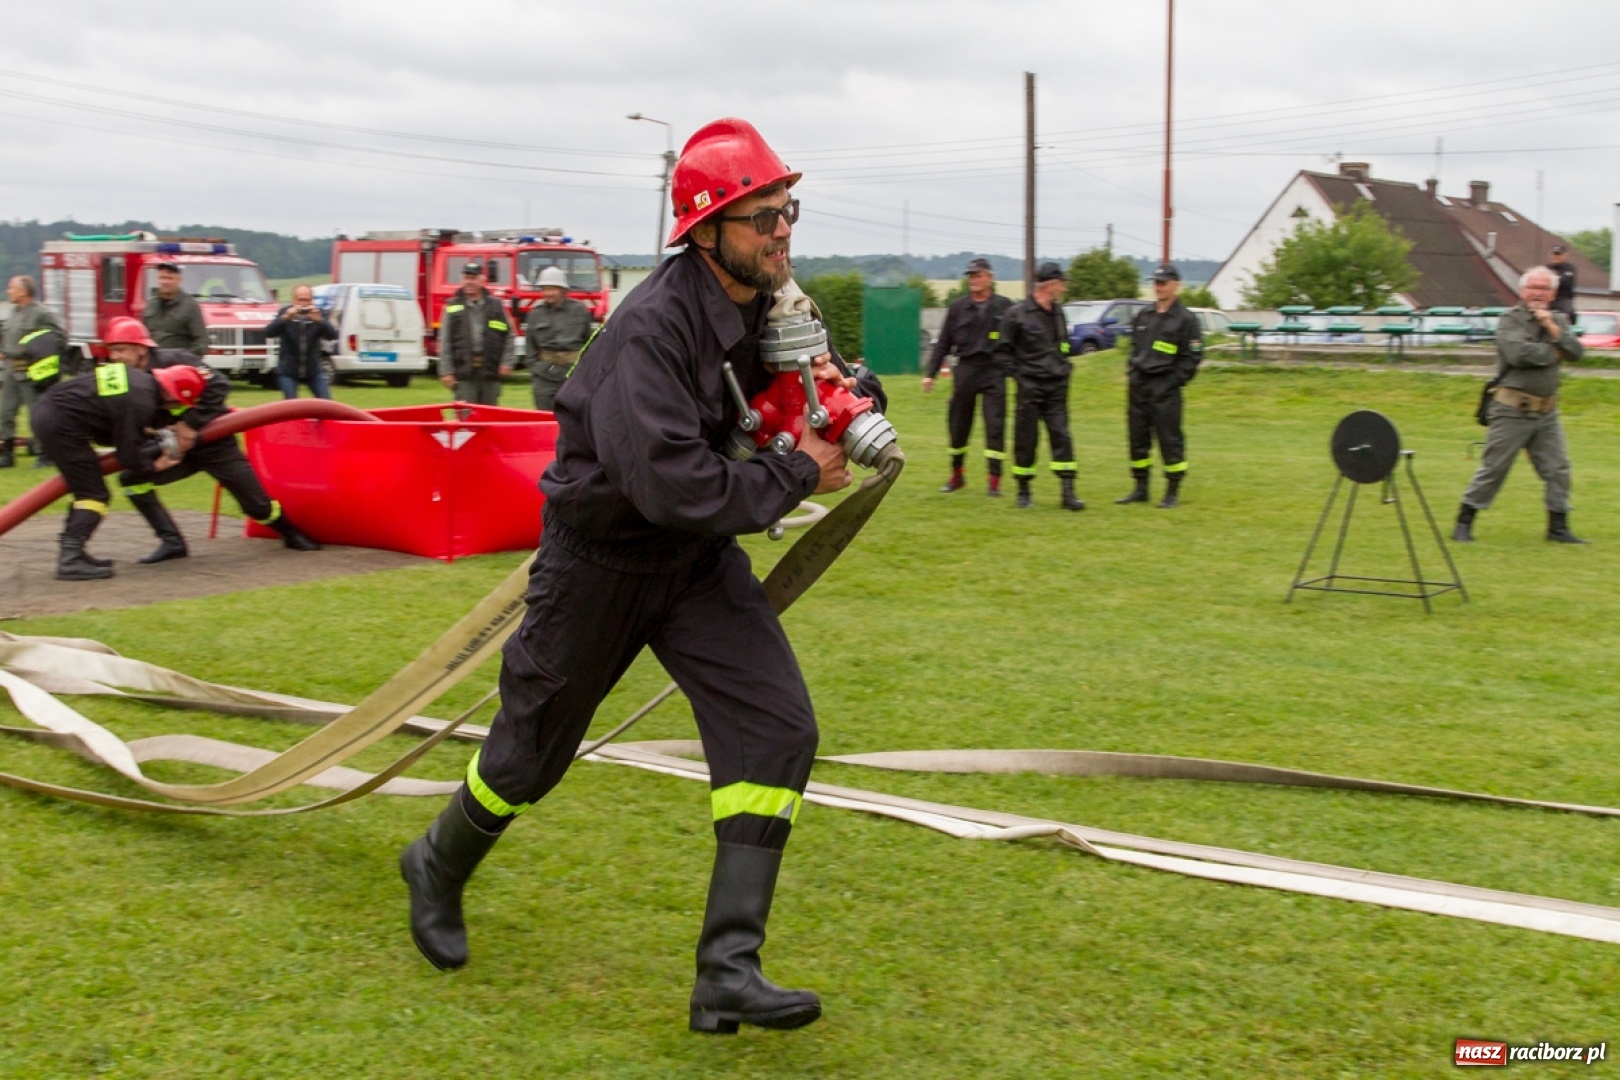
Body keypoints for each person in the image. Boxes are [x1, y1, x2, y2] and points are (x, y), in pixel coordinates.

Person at [400, 117, 863, 1036]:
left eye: (788, 211)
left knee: (776, 729)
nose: (782, 230)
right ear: (706, 229)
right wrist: (797, 474)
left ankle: (728, 971)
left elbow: (823, 383)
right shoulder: (651, 330)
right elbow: (672, 485)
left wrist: (843, 405)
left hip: (692, 563)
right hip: (602, 561)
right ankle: (437, 863)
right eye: (763, 216)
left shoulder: (770, 302)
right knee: (530, 755)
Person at [102, 316, 321, 560]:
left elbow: (219, 385)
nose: (115, 357)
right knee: (132, 478)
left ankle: (290, 533)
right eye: (112, 351)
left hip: (215, 443)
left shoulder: (177, 360)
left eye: (121, 350)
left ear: (141, 348)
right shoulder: (118, 377)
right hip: (172, 448)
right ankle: (172, 542)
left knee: (256, 505)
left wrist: (189, 424)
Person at [1453, 267, 1586, 545]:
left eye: (1544, 288)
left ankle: (1558, 528)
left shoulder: (1559, 319)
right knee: (1494, 468)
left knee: (1558, 469)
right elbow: (1519, 354)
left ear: (1553, 293)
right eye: (1533, 287)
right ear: (1522, 290)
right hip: (1512, 409)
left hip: (1546, 412)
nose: (1538, 293)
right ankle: (1464, 522)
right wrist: (1556, 350)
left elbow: (1577, 352)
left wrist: (1552, 327)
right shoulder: (1510, 320)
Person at [30, 362, 199, 580]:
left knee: (85, 490)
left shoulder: (138, 381)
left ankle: (75, 553)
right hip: (61, 425)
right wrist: (154, 466)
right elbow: (127, 454)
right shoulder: (141, 402)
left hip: (51, 412)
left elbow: (106, 419)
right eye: (177, 404)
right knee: (94, 495)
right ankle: (70, 559)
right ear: (171, 395)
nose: (174, 409)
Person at [923, 257, 1014, 496]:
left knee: (995, 426)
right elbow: (944, 342)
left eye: (978, 275)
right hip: (966, 370)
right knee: (959, 425)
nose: (974, 280)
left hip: (994, 370)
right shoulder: (958, 308)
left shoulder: (1004, 306)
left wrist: (1018, 370)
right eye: (971, 276)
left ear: (989, 278)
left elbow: (1017, 341)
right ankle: (957, 475)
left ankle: (994, 481)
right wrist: (930, 374)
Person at [996, 261, 1082, 511]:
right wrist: (1019, 377)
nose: (1064, 288)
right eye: (1061, 283)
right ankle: (1024, 491)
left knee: (1062, 436)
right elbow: (1002, 352)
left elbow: (1063, 346)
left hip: (1057, 387)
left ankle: (1068, 492)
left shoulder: (1059, 313)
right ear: (1049, 285)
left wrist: (1064, 368)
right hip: (1030, 388)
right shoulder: (1017, 314)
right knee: (1026, 438)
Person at [1119, 264, 1203, 509]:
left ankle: (1172, 491)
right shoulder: (1144, 315)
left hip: (1164, 388)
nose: (1159, 287)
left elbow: (1192, 356)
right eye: (1156, 283)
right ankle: (1140, 488)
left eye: (1163, 283)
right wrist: (1133, 372)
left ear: (1176, 285)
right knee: (1137, 438)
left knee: (1169, 439)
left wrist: (1174, 381)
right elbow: (1134, 348)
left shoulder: (1186, 319)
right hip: (1139, 386)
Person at [1, 275, 66, 469]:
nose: (8, 291)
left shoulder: (42, 314)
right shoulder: (13, 312)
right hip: (11, 370)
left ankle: (44, 453)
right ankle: (7, 453)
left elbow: (58, 338)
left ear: (23, 292)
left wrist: (37, 354)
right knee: (5, 412)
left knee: (37, 415)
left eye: (11, 288)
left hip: (31, 372)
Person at [437, 261, 513, 405]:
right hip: (464, 372)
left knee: (490, 414)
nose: (469, 282)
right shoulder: (452, 305)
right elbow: (444, 340)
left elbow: (509, 336)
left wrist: (506, 362)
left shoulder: (496, 305)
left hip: (490, 371)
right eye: (466, 278)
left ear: (482, 280)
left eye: (473, 278)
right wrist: (446, 371)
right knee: (466, 413)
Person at [523, 265, 593, 411]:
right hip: (544, 376)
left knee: (574, 415)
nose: (548, 293)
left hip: (573, 374)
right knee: (544, 417)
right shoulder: (535, 314)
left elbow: (590, 342)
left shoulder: (579, 310)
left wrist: (583, 370)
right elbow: (530, 347)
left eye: (552, 289)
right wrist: (537, 369)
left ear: (563, 290)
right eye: (544, 289)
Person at [265, 285, 337, 399]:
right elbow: (268, 333)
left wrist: (320, 321)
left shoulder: (319, 313)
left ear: (312, 300)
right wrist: (285, 318)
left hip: (313, 371)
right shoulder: (285, 312)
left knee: (327, 403)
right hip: (289, 371)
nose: (303, 304)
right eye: (300, 300)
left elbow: (332, 335)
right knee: (291, 405)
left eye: (307, 300)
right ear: (293, 300)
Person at [141, 261, 210, 356]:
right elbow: (143, 335)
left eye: (170, 278)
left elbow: (202, 341)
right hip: (153, 360)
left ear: (179, 280)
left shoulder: (189, 306)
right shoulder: (151, 304)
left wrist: (186, 359)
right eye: (162, 278)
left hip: (177, 362)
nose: (165, 282)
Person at [1547, 244, 1577, 322]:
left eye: (1559, 254)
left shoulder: (1569, 268)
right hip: (1547, 297)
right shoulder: (1546, 268)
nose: (1556, 256)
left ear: (1565, 256)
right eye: (1554, 254)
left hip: (1562, 297)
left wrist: (1551, 278)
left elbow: (1565, 281)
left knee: (1570, 313)